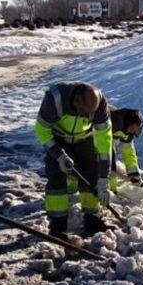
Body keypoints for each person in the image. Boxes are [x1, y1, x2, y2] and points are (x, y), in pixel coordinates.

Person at [35, 82, 114, 240]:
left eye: (89, 114)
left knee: (91, 173)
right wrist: (59, 156)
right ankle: (57, 225)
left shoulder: (99, 104)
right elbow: (42, 129)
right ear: (75, 102)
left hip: (84, 138)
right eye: (83, 113)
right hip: (57, 138)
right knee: (57, 178)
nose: (86, 117)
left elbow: (104, 138)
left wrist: (104, 176)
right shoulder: (55, 99)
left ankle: (92, 219)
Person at [109, 107, 143, 191]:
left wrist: (134, 173)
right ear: (127, 123)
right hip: (93, 132)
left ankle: (112, 190)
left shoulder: (129, 130)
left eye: (136, 129)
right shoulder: (112, 121)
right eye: (132, 128)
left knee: (110, 163)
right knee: (108, 159)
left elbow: (128, 151)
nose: (133, 131)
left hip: (107, 137)